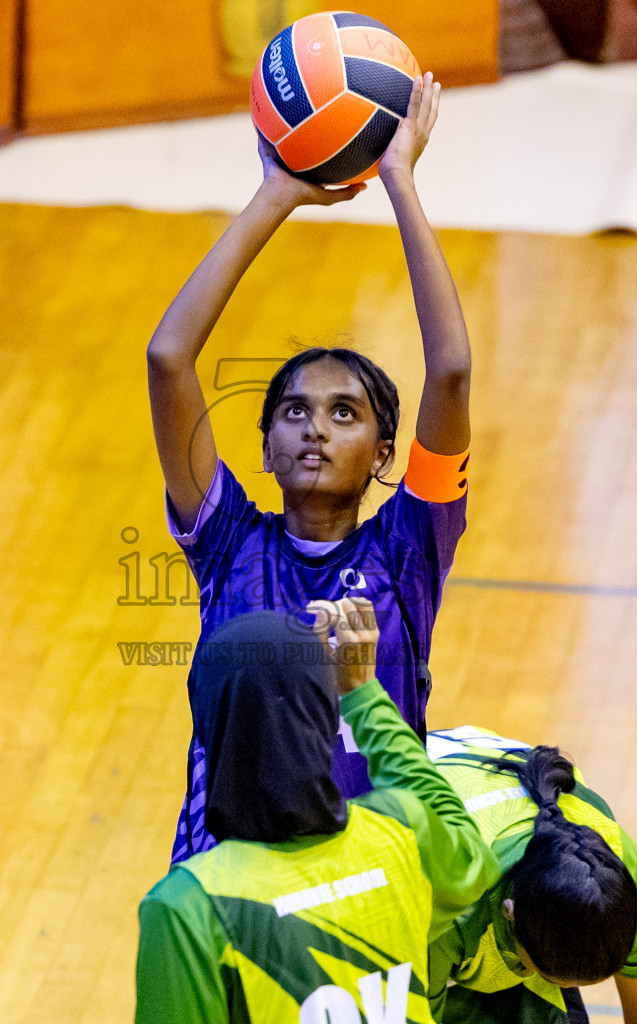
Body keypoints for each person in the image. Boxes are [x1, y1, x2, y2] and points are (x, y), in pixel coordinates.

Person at [147, 72, 472, 863]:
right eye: (293, 411)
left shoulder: (408, 549)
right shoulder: (226, 543)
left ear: (385, 457)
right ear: (264, 449)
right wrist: (275, 195)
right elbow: (168, 358)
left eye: (344, 412)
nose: (314, 429)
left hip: (369, 883)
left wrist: (400, 178)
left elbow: (452, 369)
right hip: (229, 880)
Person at [135, 599, 498, 1024]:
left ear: (211, 724)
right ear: (324, 715)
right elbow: (473, 854)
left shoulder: (189, 907)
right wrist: (363, 695)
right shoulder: (403, 832)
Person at [423, 728, 637, 1024]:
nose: (568, 987)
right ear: (510, 911)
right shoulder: (450, 903)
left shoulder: (619, 877)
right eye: (548, 973)